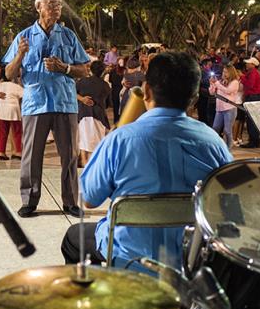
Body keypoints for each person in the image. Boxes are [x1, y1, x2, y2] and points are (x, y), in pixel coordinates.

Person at [60, 52, 232, 270]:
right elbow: (230, 205)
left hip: (129, 256)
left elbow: (90, 199)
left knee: (73, 239)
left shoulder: (120, 139)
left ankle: (97, 296)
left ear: (147, 91)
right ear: (195, 99)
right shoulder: (214, 143)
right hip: (189, 260)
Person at [2, 0, 90, 218]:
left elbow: (84, 70)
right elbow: (9, 73)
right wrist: (20, 55)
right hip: (35, 104)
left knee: (69, 156)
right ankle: (29, 201)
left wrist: (65, 68)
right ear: (39, 7)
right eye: (51, 4)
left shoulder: (69, 36)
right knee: (31, 156)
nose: (56, 8)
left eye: (59, 4)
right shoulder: (24, 36)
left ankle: (70, 202)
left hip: (65, 104)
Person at [77, 61, 111, 166]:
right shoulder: (105, 86)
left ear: (90, 69)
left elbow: (71, 92)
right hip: (98, 116)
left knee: (83, 141)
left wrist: (82, 99)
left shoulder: (82, 81)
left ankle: (83, 163)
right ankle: (92, 166)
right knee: (96, 144)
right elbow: (108, 104)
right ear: (102, 71)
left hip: (83, 115)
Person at [209, 64, 240, 149]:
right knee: (215, 128)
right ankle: (216, 146)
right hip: (219, 109)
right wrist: (212, 84)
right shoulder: (220, 81)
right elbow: (211, 93)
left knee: (227, 130)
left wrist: (217, 84)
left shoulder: (235, 82)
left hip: (229, 109)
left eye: (226, 72)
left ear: (231, 73)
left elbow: (228, 91)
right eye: (223, 71)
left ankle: (228, 147)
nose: (224, 73)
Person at [0, 71, 24, 160]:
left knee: (3, 133)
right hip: (13, 110)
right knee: (17, 132)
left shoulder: (0, 85)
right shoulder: (17, 87)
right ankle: (18, 152)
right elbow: (23, 95)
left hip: (2, 110)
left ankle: (1, 152)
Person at [240, 57, 260, 148]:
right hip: (254, 97)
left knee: (251, 120)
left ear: (253, 65)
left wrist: (242, 77)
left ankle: (253, 141)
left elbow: (250, 85)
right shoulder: (252, 72)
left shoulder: (253, 73)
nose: (246, 64)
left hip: (253, 98)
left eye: (248, 63)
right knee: (253, 120)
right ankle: (255, 141)